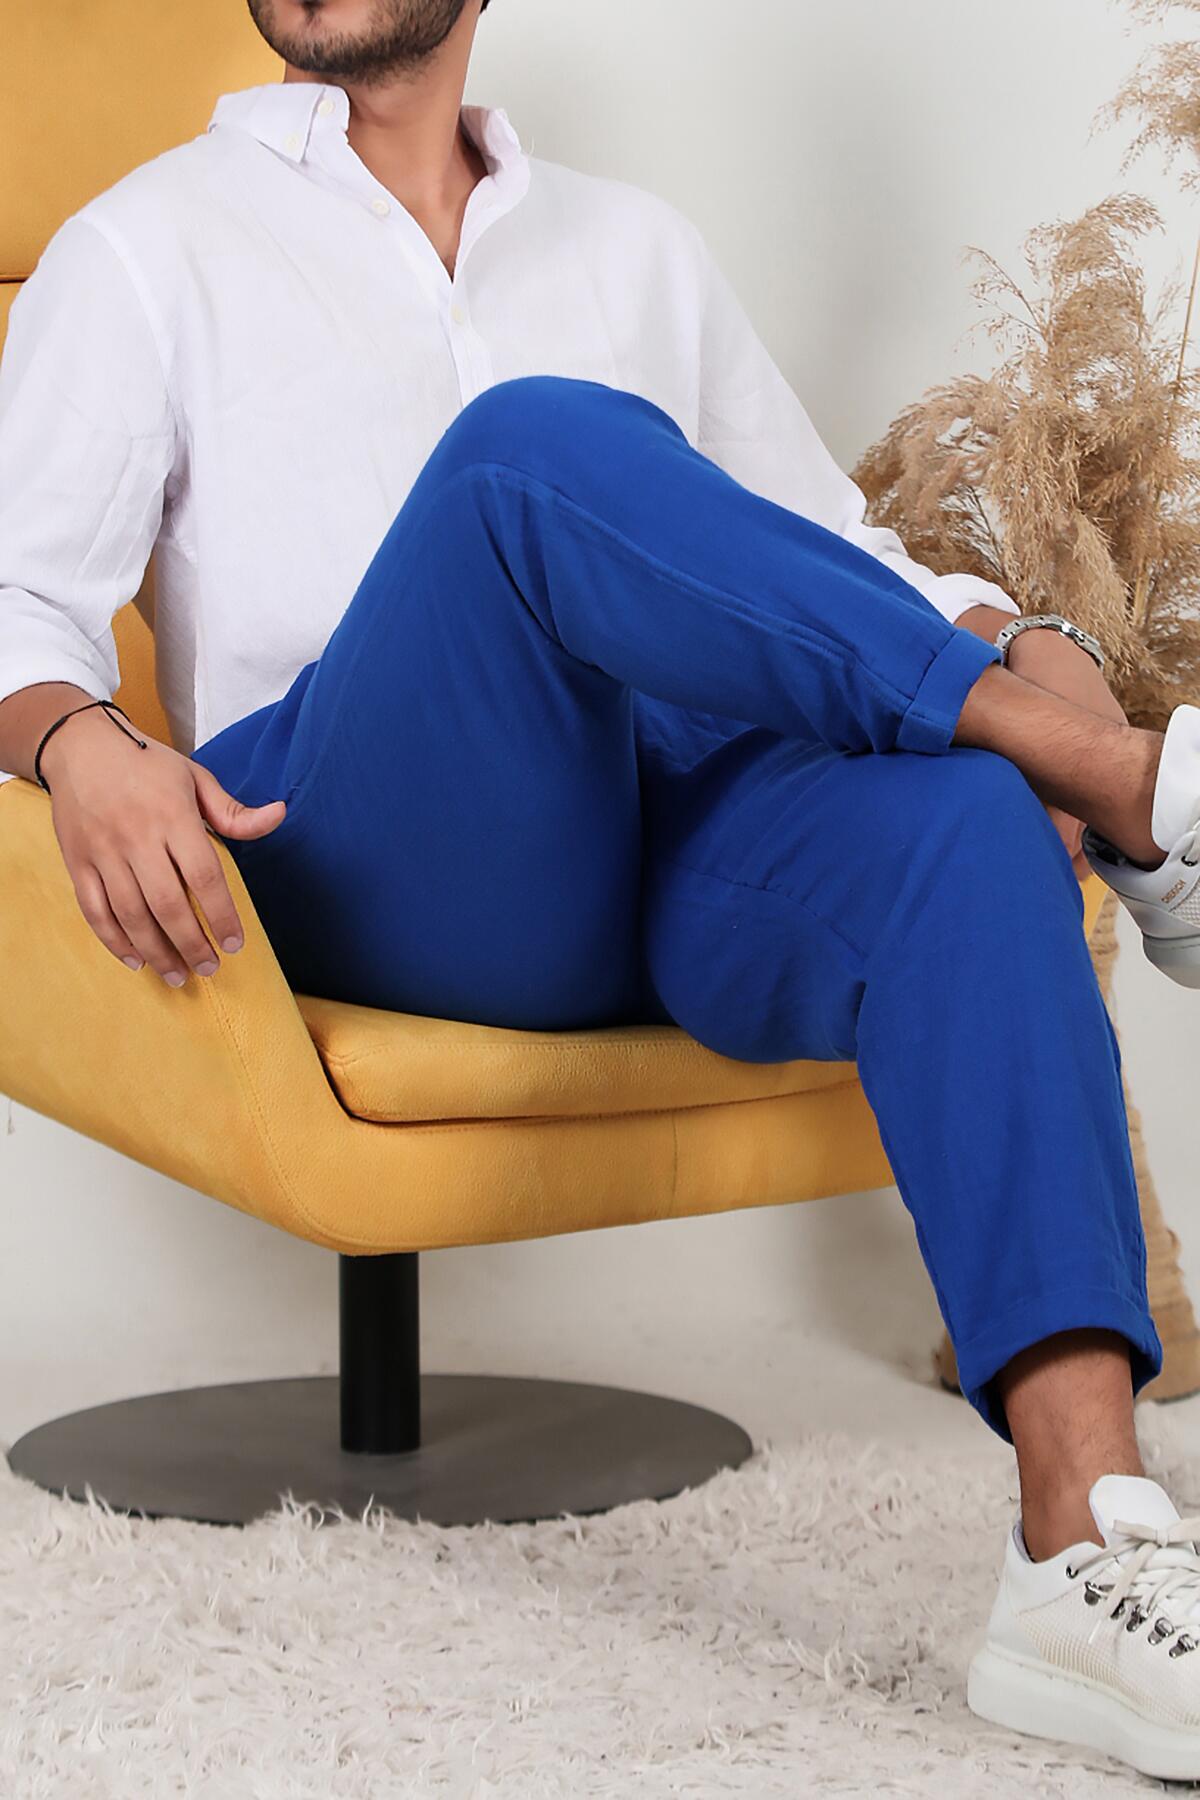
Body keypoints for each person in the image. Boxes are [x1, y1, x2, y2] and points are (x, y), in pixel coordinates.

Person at [2, 0, 1200, 1778]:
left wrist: (1023, 634)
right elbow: (12, 599)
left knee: (956, 829)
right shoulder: (147, 242)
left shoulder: (631, 245)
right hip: (358, 837)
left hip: (664, 834)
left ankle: (1083, 1543)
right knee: (526, 457)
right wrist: (77, 742)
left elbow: (824, 552)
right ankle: (1138, 792)